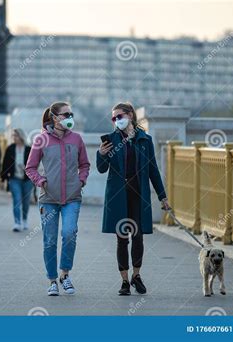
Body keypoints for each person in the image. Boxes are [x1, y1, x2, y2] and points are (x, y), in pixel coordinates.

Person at [96, 102, 170, 296]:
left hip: (139, 195)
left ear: (130, 116)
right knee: (122, 239)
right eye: (113, 118)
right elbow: (102, 169)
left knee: (138, 237)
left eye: (119, 116)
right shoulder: (110, 140)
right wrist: (101, 154)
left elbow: (153, 170)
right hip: (118, 197)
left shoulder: (145, 140)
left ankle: (137, 276)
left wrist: (163, 197)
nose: (116, 121)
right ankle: (124, 281)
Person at [25, 101, 90, 296]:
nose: (70, 117)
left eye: (71, 114)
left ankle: (65, 275)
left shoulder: (77, 139)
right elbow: (30, 168)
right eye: (65, 114)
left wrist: (81, 180)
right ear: (54, 117)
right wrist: (40, 180)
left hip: (72, 196)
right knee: (50, 240)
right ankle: (52, 280)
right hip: (48, 198)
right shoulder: (41, 140)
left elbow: (85, 164)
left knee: (69, 233)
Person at [1, 128, 33, 232]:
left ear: (21, 136)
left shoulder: (29, 149)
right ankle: (17, 222)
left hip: (27, 179)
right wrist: (4, 177)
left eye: (15, 135)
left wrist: (27, 168)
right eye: (13, 136)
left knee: (26, 202)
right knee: (17, 200)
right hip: (14, 179)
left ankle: (24, 220)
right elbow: (5, 164)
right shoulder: (10, 148)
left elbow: (34, 164)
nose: (13, 137)